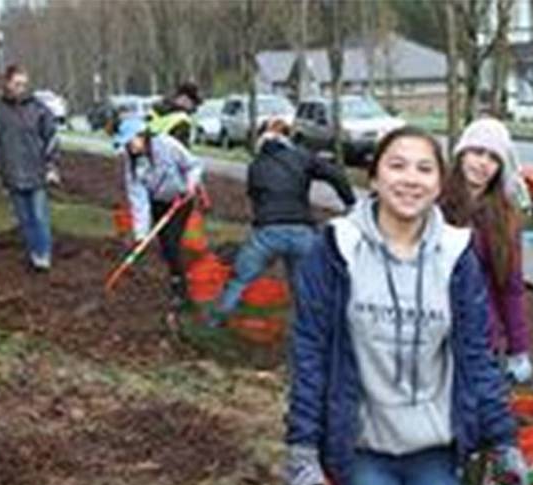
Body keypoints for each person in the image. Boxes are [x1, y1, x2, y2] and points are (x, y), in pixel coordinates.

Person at [282, 126, 533, 485]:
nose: (410, 179)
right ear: (374, 175)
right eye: (397, 165)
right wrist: (301, 443)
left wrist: (506, 441)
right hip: (364, 447)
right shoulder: (337, 250)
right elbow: (311, 352)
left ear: (439, 181)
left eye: (424, 168)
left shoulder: (456, 255)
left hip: (433, 449)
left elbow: (476, 360)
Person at [209, 116, 356, 325]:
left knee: (239, 280)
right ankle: (319, 328)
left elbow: (255, 197)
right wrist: (349, 203)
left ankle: (215, 324)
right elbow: (335, 175)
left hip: (266, 233)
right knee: (308, 283)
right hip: (302, 231)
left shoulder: (256, 165)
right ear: (288, 137)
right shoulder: (302, 157)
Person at [439, 118, 532, 385]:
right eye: (477, 152)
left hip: (481, 337)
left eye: (493, 158)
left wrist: (518, 346)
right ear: (461, 154)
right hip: (434, 333)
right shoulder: (434, 204)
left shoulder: (503, 218)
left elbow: (511, 287)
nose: (483, 163)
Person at [114, 116, 204, 309]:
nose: (129, 147)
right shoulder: (132, 162)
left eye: (130, 142)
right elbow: (138, 198)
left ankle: (182, 292)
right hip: (157, 203)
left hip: (181, 200)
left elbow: (193, 165)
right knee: (165, 246)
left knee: (172, 242)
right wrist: (141, 234)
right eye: (126, 144)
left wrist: (190, 185)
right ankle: (176, 280)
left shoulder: (167, 145)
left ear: (142, 135)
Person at [0, 64, 60, 271]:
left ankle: (44, 255)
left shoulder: (38, 109)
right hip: (12, 172)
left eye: (24, 84)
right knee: (25, 219)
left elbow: (52, 137)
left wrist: (51, 165)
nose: (21, 88)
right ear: (7, 84)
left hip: (36, 170)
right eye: (17, 84)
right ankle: (34, 254)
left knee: (40, 217)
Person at [149, 81, 202, 147]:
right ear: (184, 99)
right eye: (194, 103)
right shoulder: (182, 120)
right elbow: (180, 150)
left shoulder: (155, 108)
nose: (194, 108)